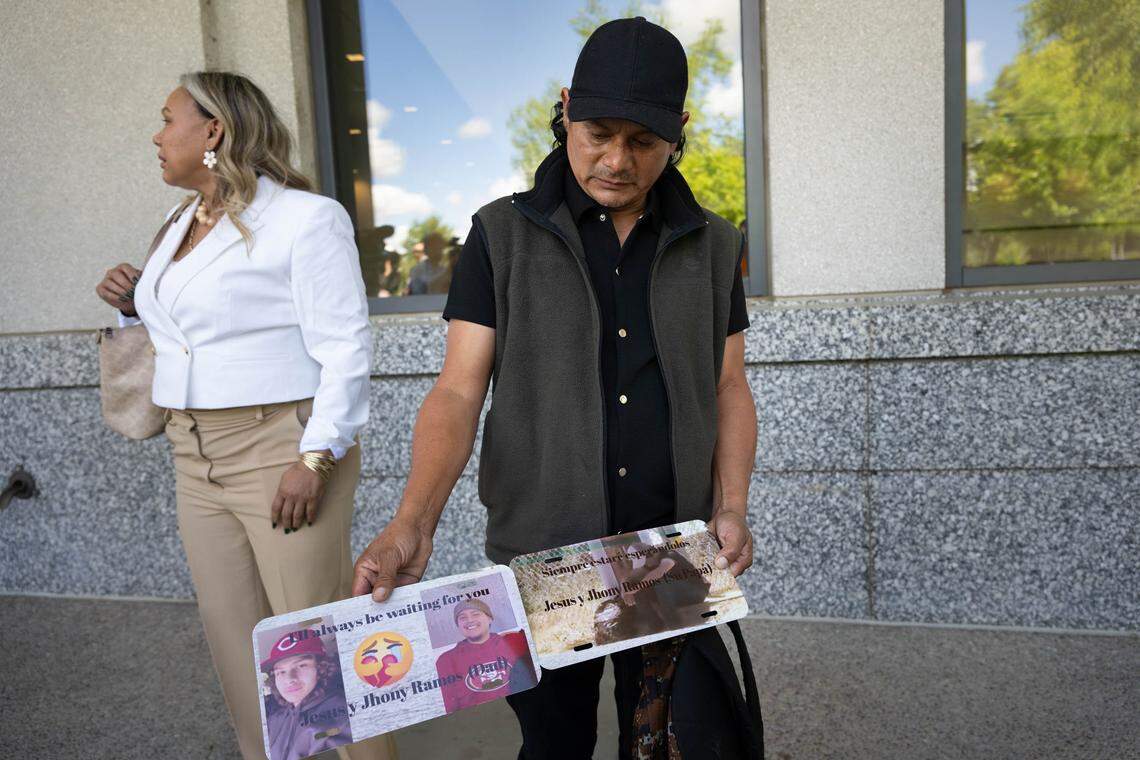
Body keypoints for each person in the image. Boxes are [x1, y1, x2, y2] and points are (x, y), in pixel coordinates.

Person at [352, 16, 757, 759]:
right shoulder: (499, 234)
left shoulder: (716, 243)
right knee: (554, 745)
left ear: (679, 132)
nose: (615, 159)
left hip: (669, 553)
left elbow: (729, 386)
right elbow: (457, 391)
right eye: (597, 132)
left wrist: (731, 506)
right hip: (548, 561)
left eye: (642, 141)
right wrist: (414, 520)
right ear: (566, 107)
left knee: (670, 740)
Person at [94, 72, 394, 760]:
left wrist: (315, 457)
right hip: (192, 452)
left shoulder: (304, 217)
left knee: (315, 647)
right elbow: (191, 333)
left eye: (167, 118)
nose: (155, 134)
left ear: (214, 132)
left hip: (280, 447)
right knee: (238, 644)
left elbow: (345, 349)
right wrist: (133, 306)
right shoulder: (178, 224)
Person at [262, 630, 354, 760]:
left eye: (301, 665)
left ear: (321, 667)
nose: (289, 679)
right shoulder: (274, 719)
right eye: (280, 672)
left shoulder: (343, 716)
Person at [433, 599, 537, 713]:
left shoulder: (515, 640)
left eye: (476, 614)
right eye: (462, 617)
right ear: (458, 625)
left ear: (490, 618)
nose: (470, 620)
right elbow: (449, 708)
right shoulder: (446, 660)